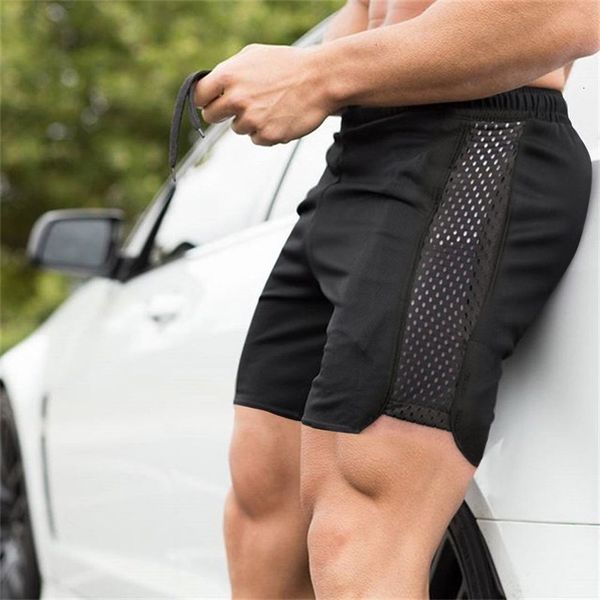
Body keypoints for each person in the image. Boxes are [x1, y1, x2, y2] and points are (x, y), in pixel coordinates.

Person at [194, 1, 599, 597]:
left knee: (362, 520)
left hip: (478, 149)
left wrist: (317, 73)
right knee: (265, 508)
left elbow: (571, 11)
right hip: (358, 154)